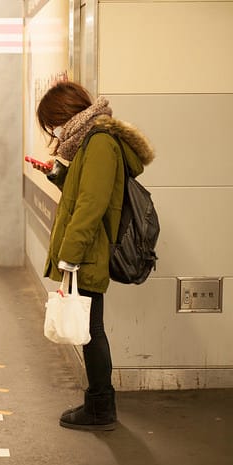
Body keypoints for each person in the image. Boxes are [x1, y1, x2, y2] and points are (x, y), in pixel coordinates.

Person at [34, 81, 154, 431]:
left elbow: (91, 204)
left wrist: (69, 256)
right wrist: (58, 176)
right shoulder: (90, 140)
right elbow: (84, 190)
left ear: (64, 115)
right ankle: (98, 403)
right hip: (89, 246)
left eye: (51, 124)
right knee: (91, 327)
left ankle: (101, 407)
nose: (52, 132)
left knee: (92, 329)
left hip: (91, 249)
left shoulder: (100, 141)